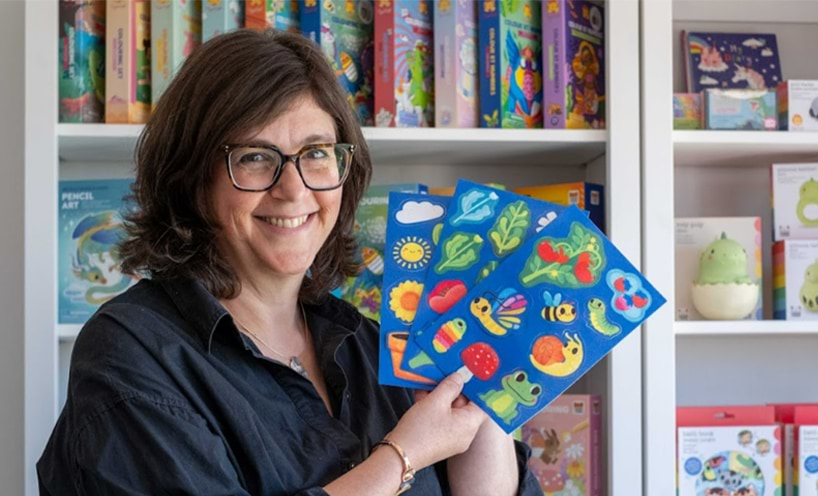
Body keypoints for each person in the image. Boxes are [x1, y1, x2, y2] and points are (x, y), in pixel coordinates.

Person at [37, 30, 540, 495]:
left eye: (317, 153)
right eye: (256, 156)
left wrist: (483, 388)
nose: (294, 189)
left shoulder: (368, 343)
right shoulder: (131, 351)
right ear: (192, 178)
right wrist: (403, 454)